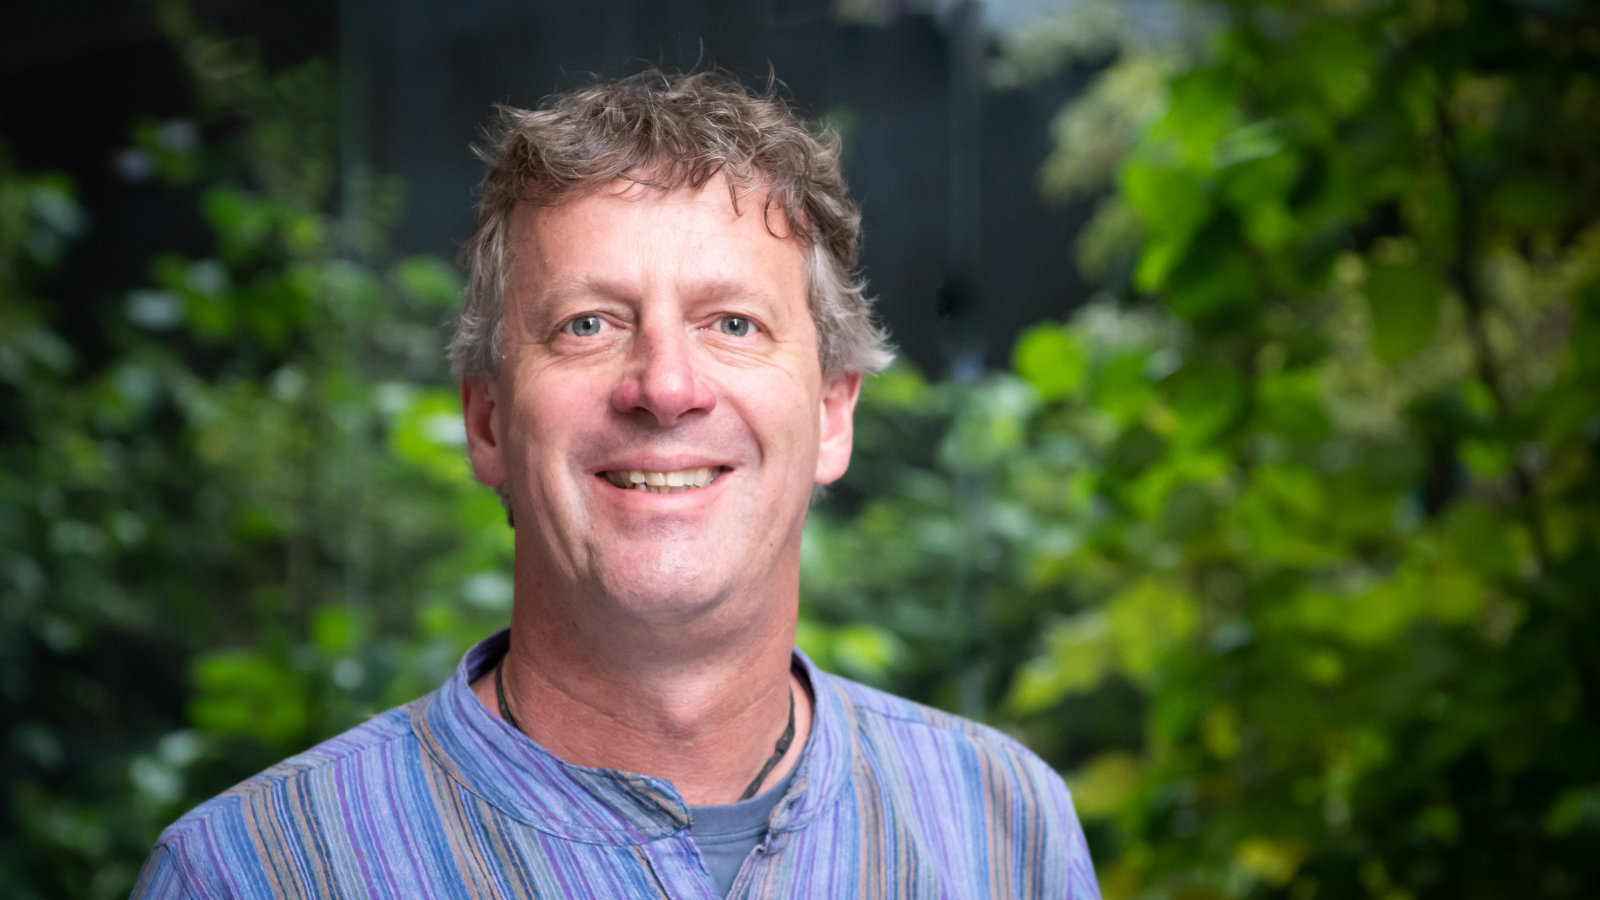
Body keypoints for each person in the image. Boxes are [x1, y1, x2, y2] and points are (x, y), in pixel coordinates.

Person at [131, 70, 1100, 900]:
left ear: (833, 415)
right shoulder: (252, 873)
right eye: (588, 324)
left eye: (732, 324)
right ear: (488, 421)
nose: (665, 387)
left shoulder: (1004, 833)